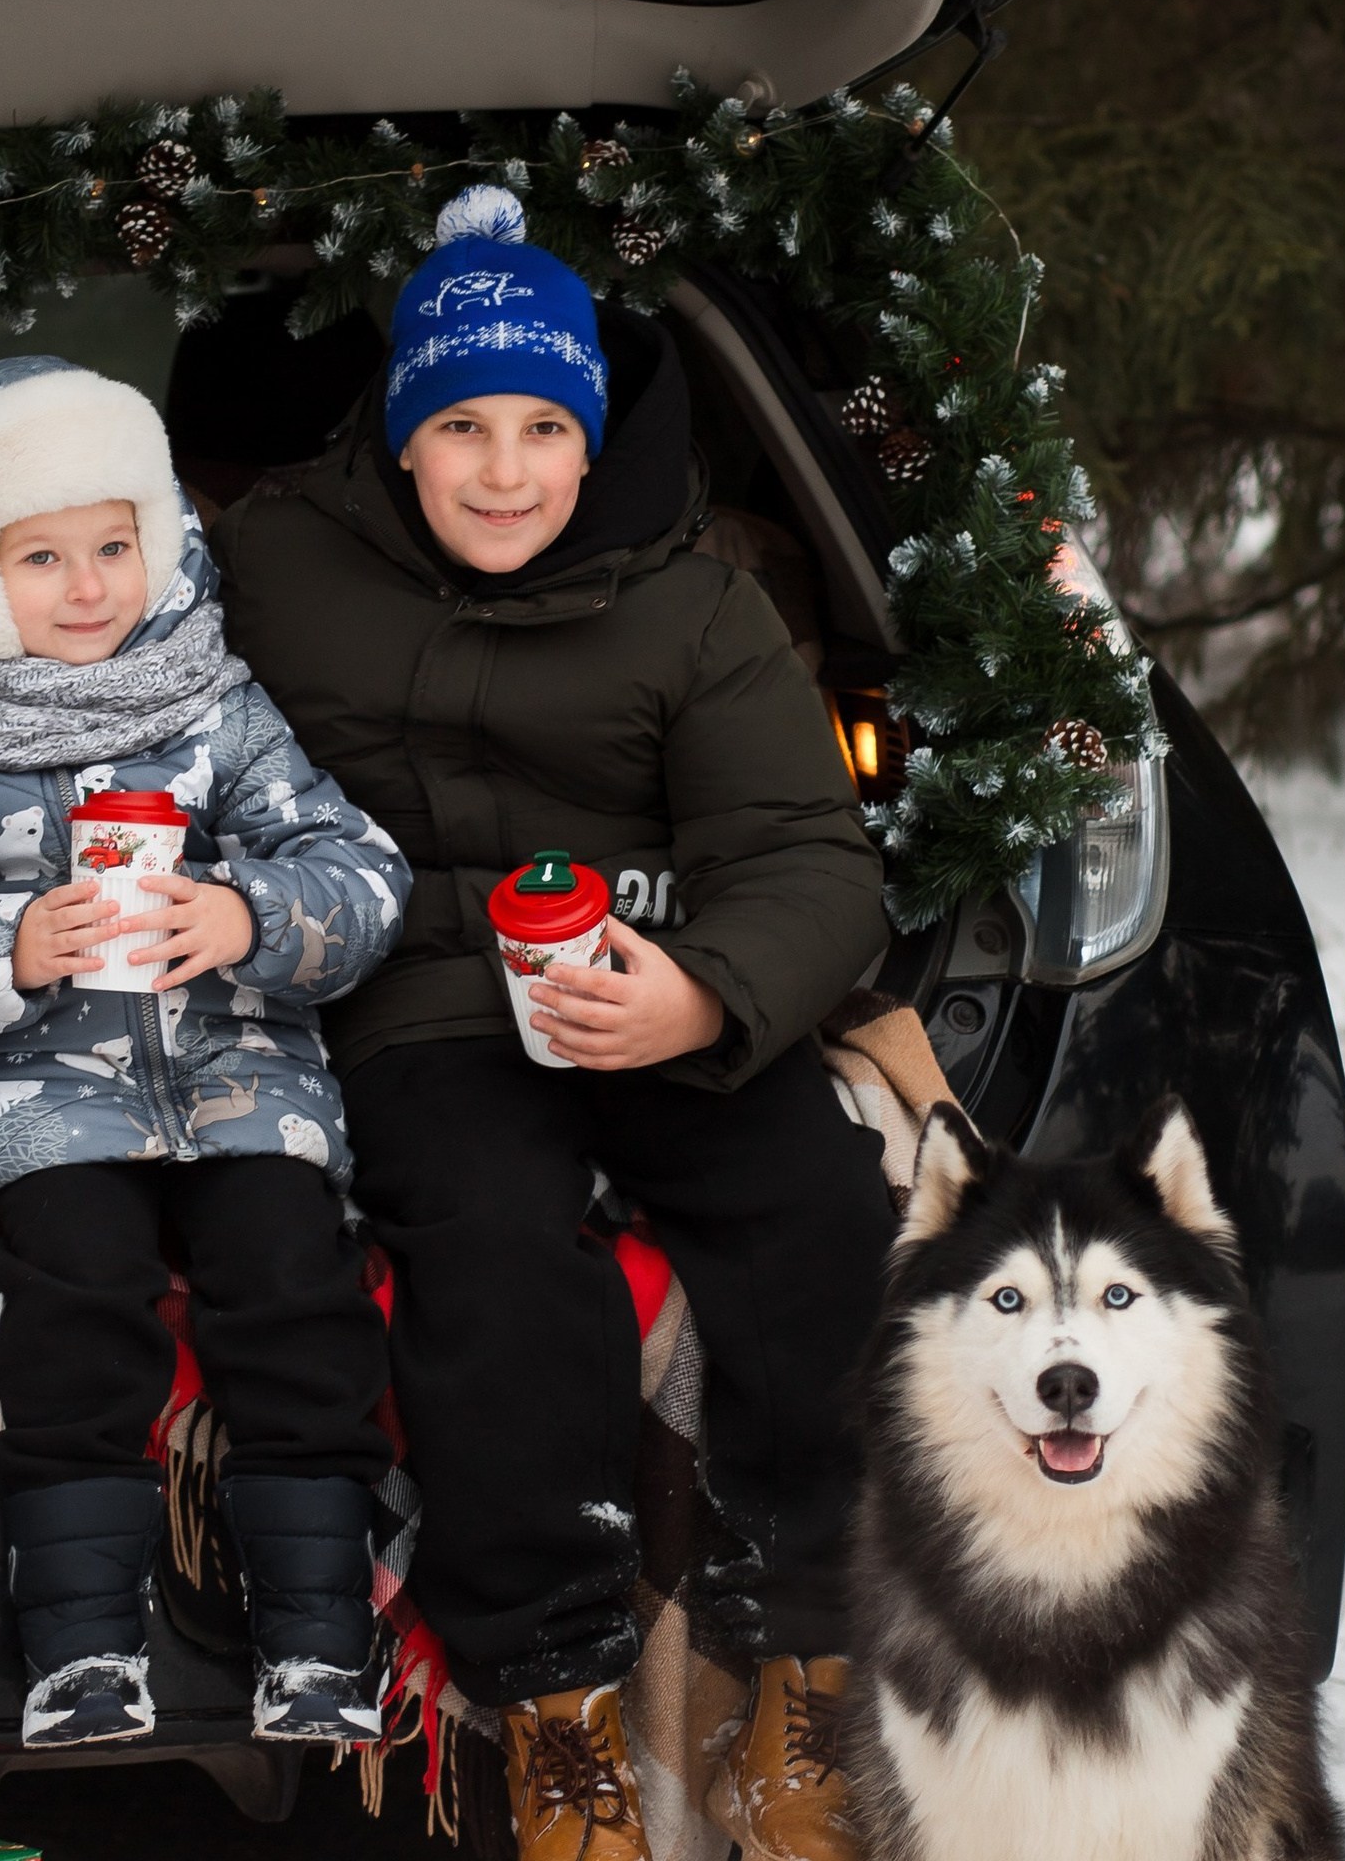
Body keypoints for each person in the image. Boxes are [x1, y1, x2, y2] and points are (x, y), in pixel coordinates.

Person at [212, 188, 898, 1861]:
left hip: (655, 982)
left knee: (817, 1207)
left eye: (541, 428)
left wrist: (704, 995)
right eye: (461, 426)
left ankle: (815, 1673)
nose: (504, 469)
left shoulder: (699, 602)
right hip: (420, 1003)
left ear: (594, 443)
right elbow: (88, 663)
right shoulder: (276, 565)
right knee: (495, 1251)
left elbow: (807, 855)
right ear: (401, 436)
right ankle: (563, 1707)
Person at [0, 356, 410, 1754]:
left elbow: (361, 875)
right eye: (40, 556)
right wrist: (8, 948)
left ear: (163, 539)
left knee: (293, 1286)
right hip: (38, 1102)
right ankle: (82, 1646)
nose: (88, 587)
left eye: (114, 545)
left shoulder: (220, 708)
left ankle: (317, 1635)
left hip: (243, 1080)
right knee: (78, 1292)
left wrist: (247, 912)